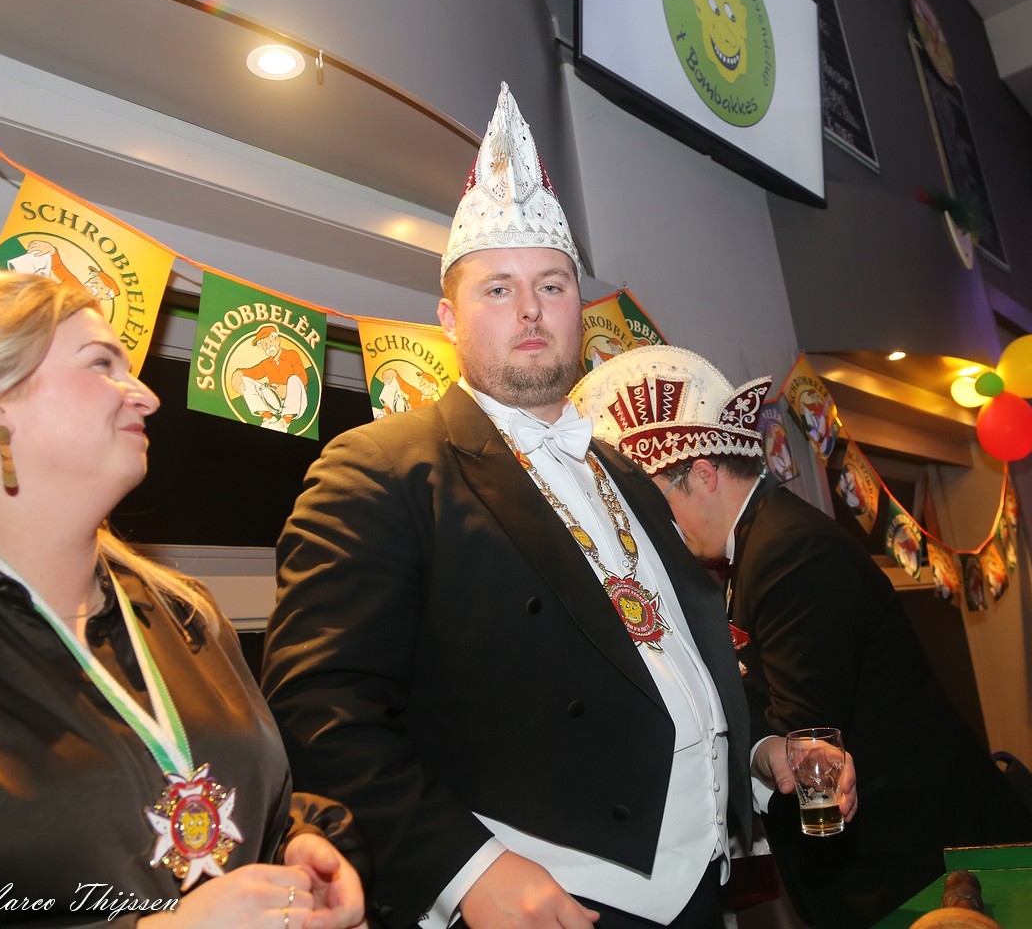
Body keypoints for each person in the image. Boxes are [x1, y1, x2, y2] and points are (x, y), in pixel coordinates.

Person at [261, 83, 838, 929]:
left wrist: (759, 752)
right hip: (548, 901)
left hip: (702, 888)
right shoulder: (379, 468)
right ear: (448, 318)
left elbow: (665, 658)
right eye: (497, 290)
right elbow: (319, 709)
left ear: (580, 310)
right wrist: (467, 870)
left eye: (553, 285)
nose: (530, 309)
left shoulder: (625, 472)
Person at [0, 272, 366, 927]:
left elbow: (244, 810)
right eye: (101, 364)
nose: (146, 396)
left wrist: (300, 848)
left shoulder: (186, 615)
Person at [571, 345, 1032, 929]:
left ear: (705, 475)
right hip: (905, 849)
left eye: (656, 505)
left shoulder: (789, 553)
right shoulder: (763, 544)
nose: (654, 529)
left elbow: (805, 734)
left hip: (920, 858)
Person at [235, 324, 309, 432]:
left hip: (295, 403)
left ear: (277, 340)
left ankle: (284, 422)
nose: (267, 346)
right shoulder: (266, 363)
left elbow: (303, 377)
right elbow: (253, 372)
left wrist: (286, 388)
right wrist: (238, 373)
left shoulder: (291, 355)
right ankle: (268, 418)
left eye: (269, 341)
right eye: (264, 344)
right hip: (273, 402)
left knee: (294, 379)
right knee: (245, 380)